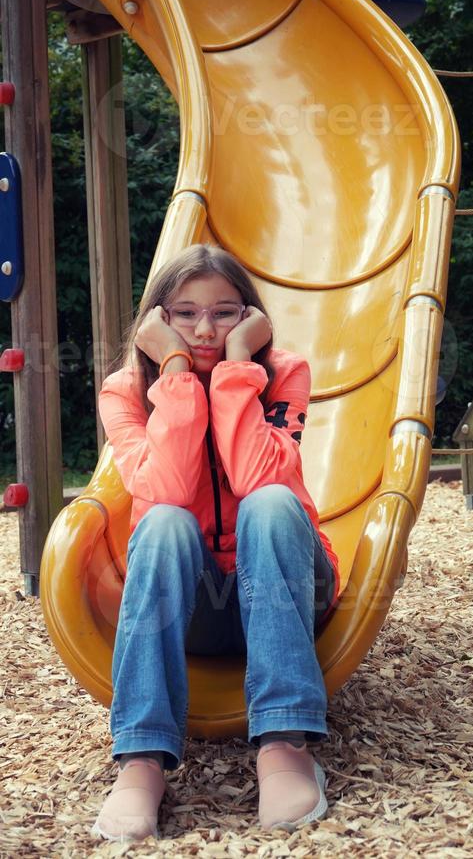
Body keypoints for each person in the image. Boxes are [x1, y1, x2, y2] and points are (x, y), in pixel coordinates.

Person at [91, 243, 341, 843]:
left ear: (250, 318)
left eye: (226, 313)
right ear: (158, 321)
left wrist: (234, 369)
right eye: (185, 314)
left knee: (271, 502)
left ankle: (284, 739)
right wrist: (176, 376)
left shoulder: (284, 371)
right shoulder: (124, 392)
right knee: (163, 523)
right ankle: (142, 758)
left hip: (288, 587)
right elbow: (168, 489)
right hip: (195, 608)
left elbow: (261, 476)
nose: (205, 328)